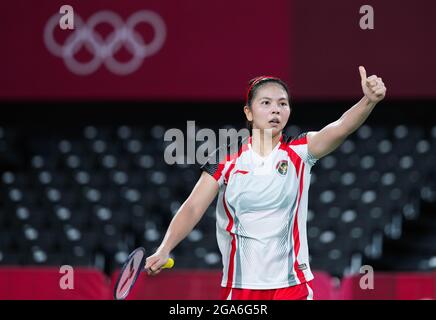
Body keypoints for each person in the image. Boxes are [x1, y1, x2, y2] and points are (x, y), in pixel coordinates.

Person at [144, 66, 386, 300]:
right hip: (240, 286)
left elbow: (340, 127)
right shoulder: (226, 160)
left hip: (293, 284)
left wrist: (368, 101)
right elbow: (193, 207)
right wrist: (165, 248)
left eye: (282, 103)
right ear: (249, 113)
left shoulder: (300, 152)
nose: (276, 110)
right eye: (266, 103)